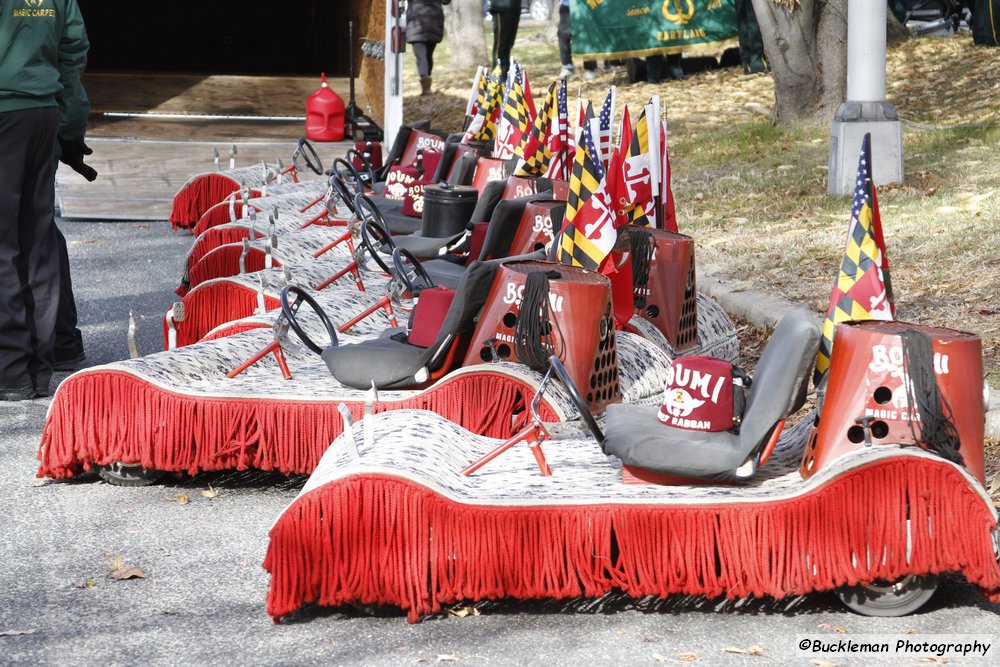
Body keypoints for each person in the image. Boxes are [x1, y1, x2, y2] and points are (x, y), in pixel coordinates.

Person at [0, 0, 95, 401]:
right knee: (37, 241)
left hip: (5, 113)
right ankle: (39, 369)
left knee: (4, 244)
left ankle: (10, 370)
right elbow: (73, 51)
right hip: (41, 115)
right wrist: (69, 126)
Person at [406, 0, 452, 96]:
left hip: (416, 18)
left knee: (421, 55)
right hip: (434, 19)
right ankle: (427, 85)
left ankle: (426, 87)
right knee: (428, 54)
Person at [489, 0, 521, 78]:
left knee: (509, 44)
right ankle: (497, 78)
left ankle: (506, 75)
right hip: (501, 6)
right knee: (500, 47)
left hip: (514, 6)